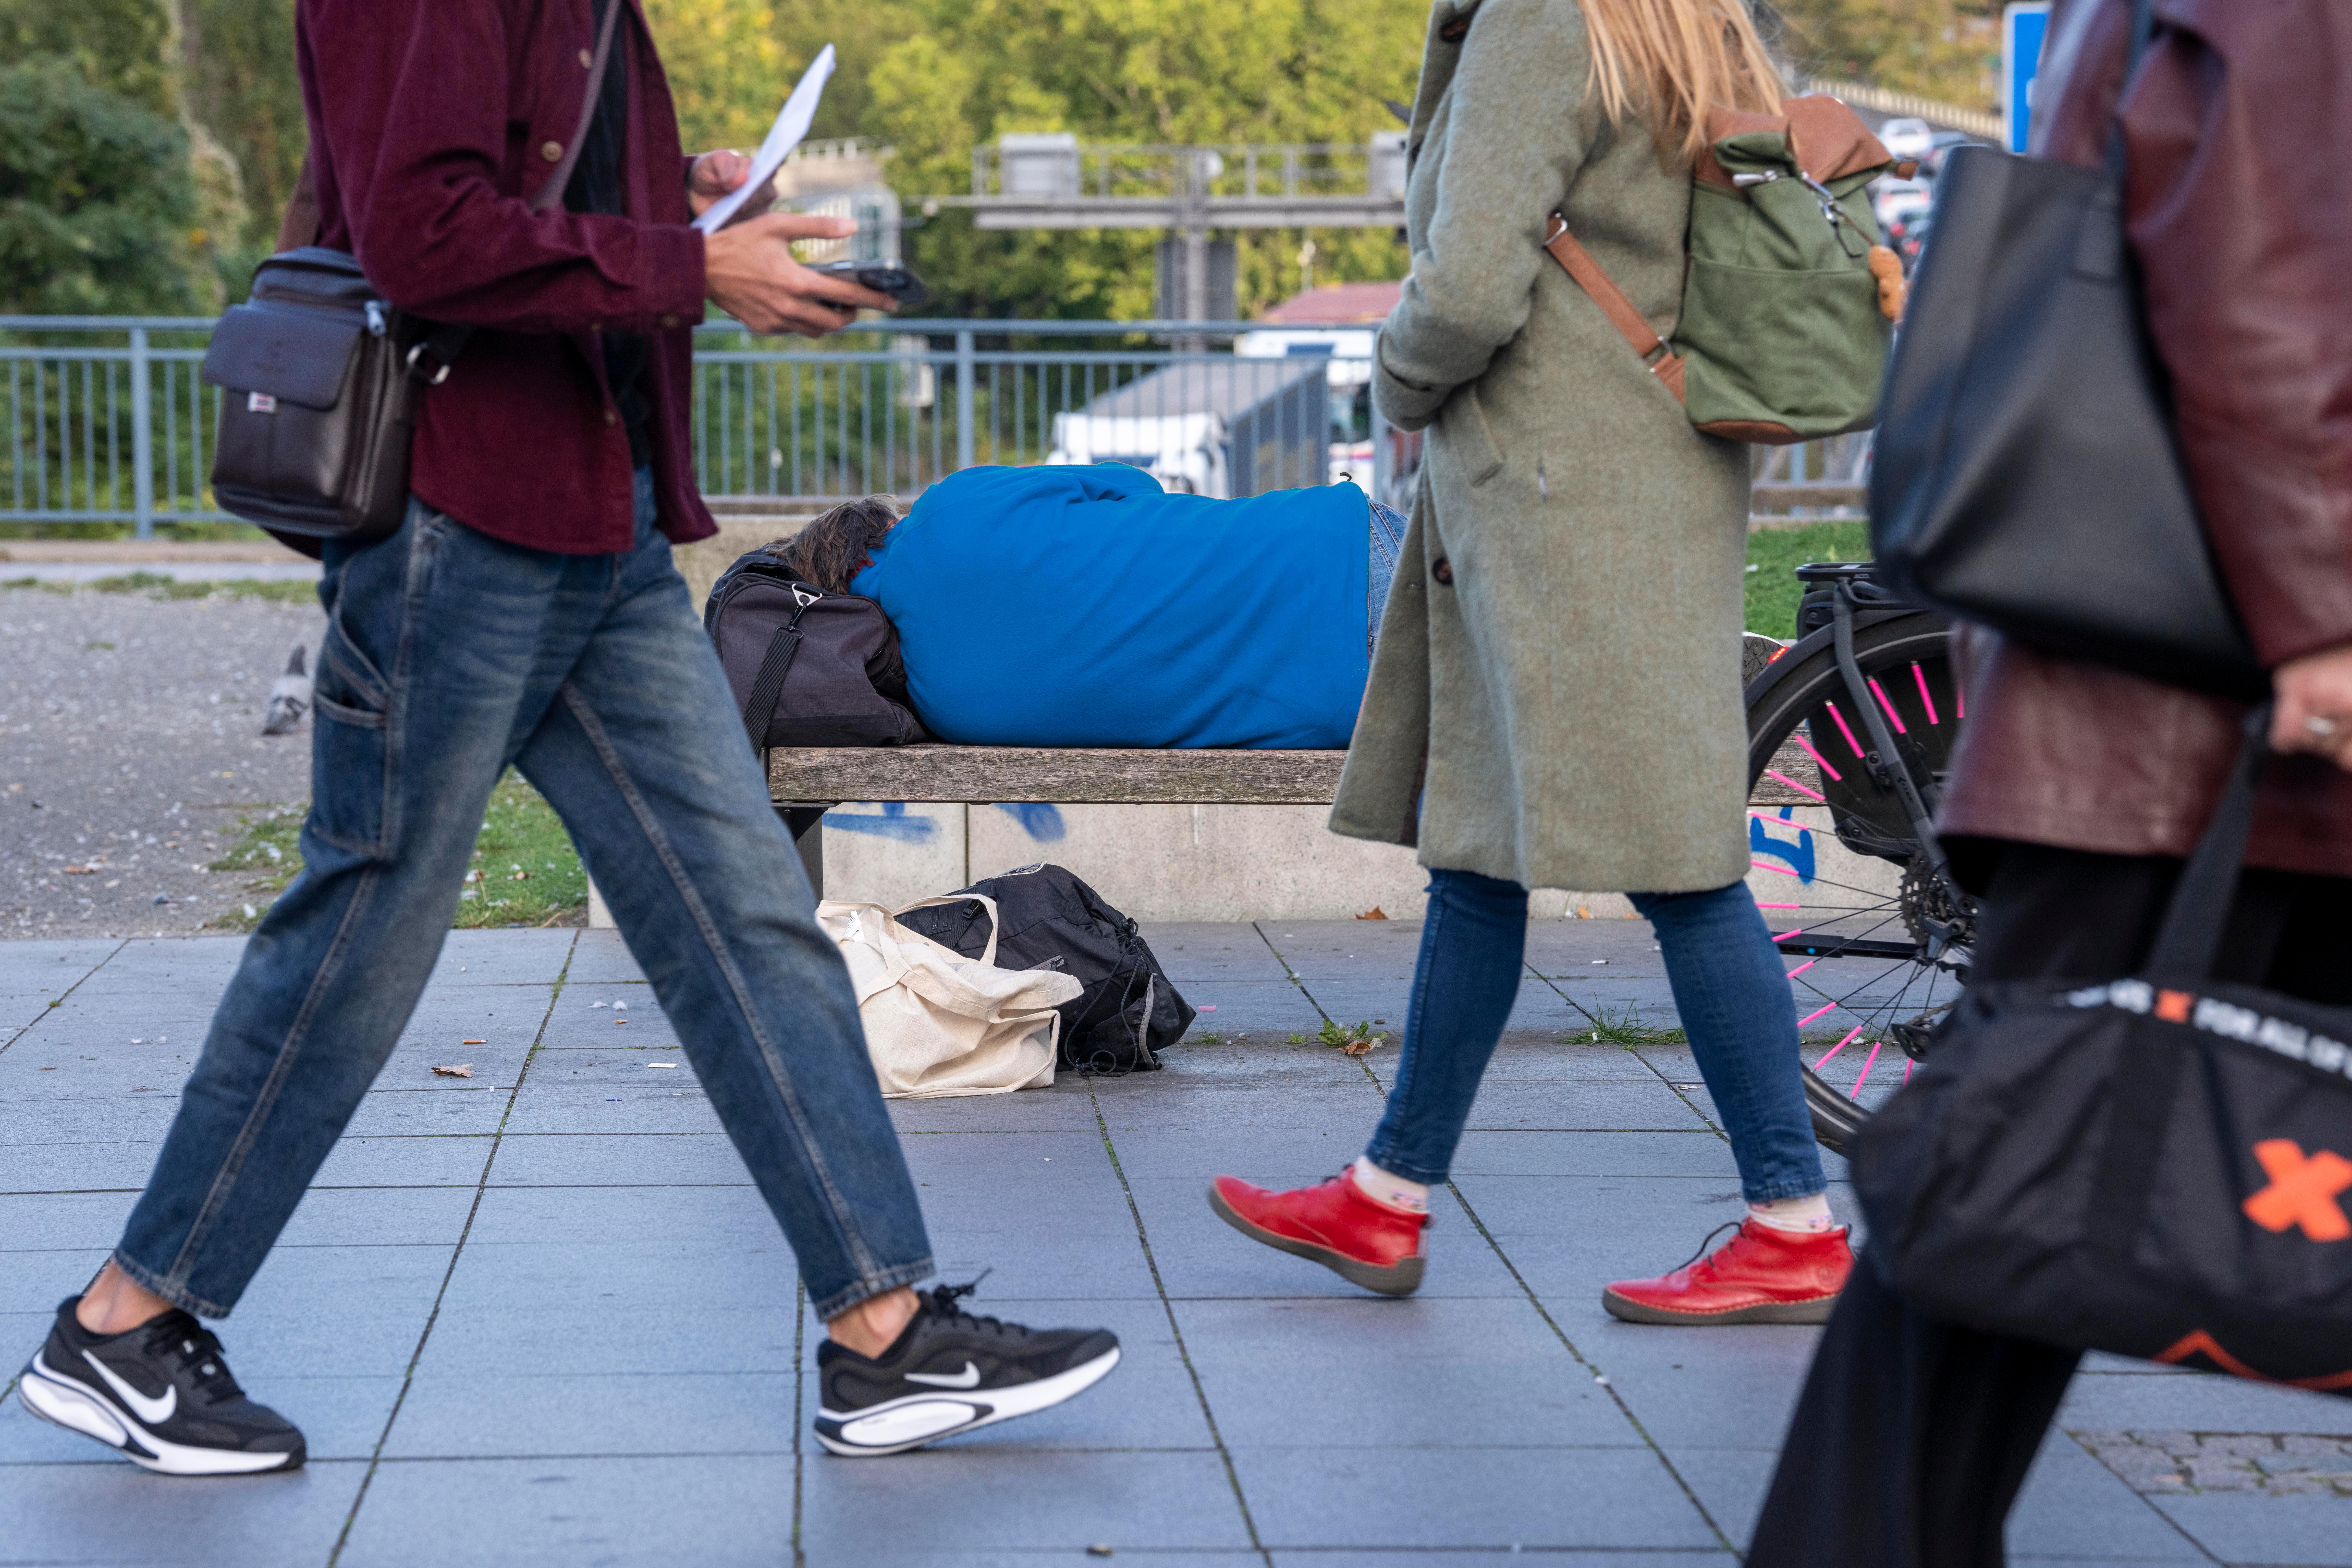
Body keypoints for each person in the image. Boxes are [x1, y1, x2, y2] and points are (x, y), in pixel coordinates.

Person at [12, 0, 1118, 1475]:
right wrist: (686, 261)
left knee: (750, 924)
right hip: (457, 533)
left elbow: (513, 181)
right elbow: (419, 232)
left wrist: (681, 207)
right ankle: (126, 1324)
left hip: (591, 533)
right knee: (363, 937)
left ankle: (885, 1337)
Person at [1745, 0, 2352, 1560]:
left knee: (2006, 1179)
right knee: (2002, 1184)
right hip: (2220, 704)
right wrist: (2324, 620)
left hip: (2147, 703)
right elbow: (2262, 295)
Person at [1207, 0, 1853, 1321]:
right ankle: (1389, 1196)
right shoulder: (1692, 20)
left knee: (1682, 865)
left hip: (1558, 487)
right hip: (1656, 465)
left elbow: (1468, 284)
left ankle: (1792, 1220)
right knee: (1482, 846)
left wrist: (1395, 385)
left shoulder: (1544, 21)